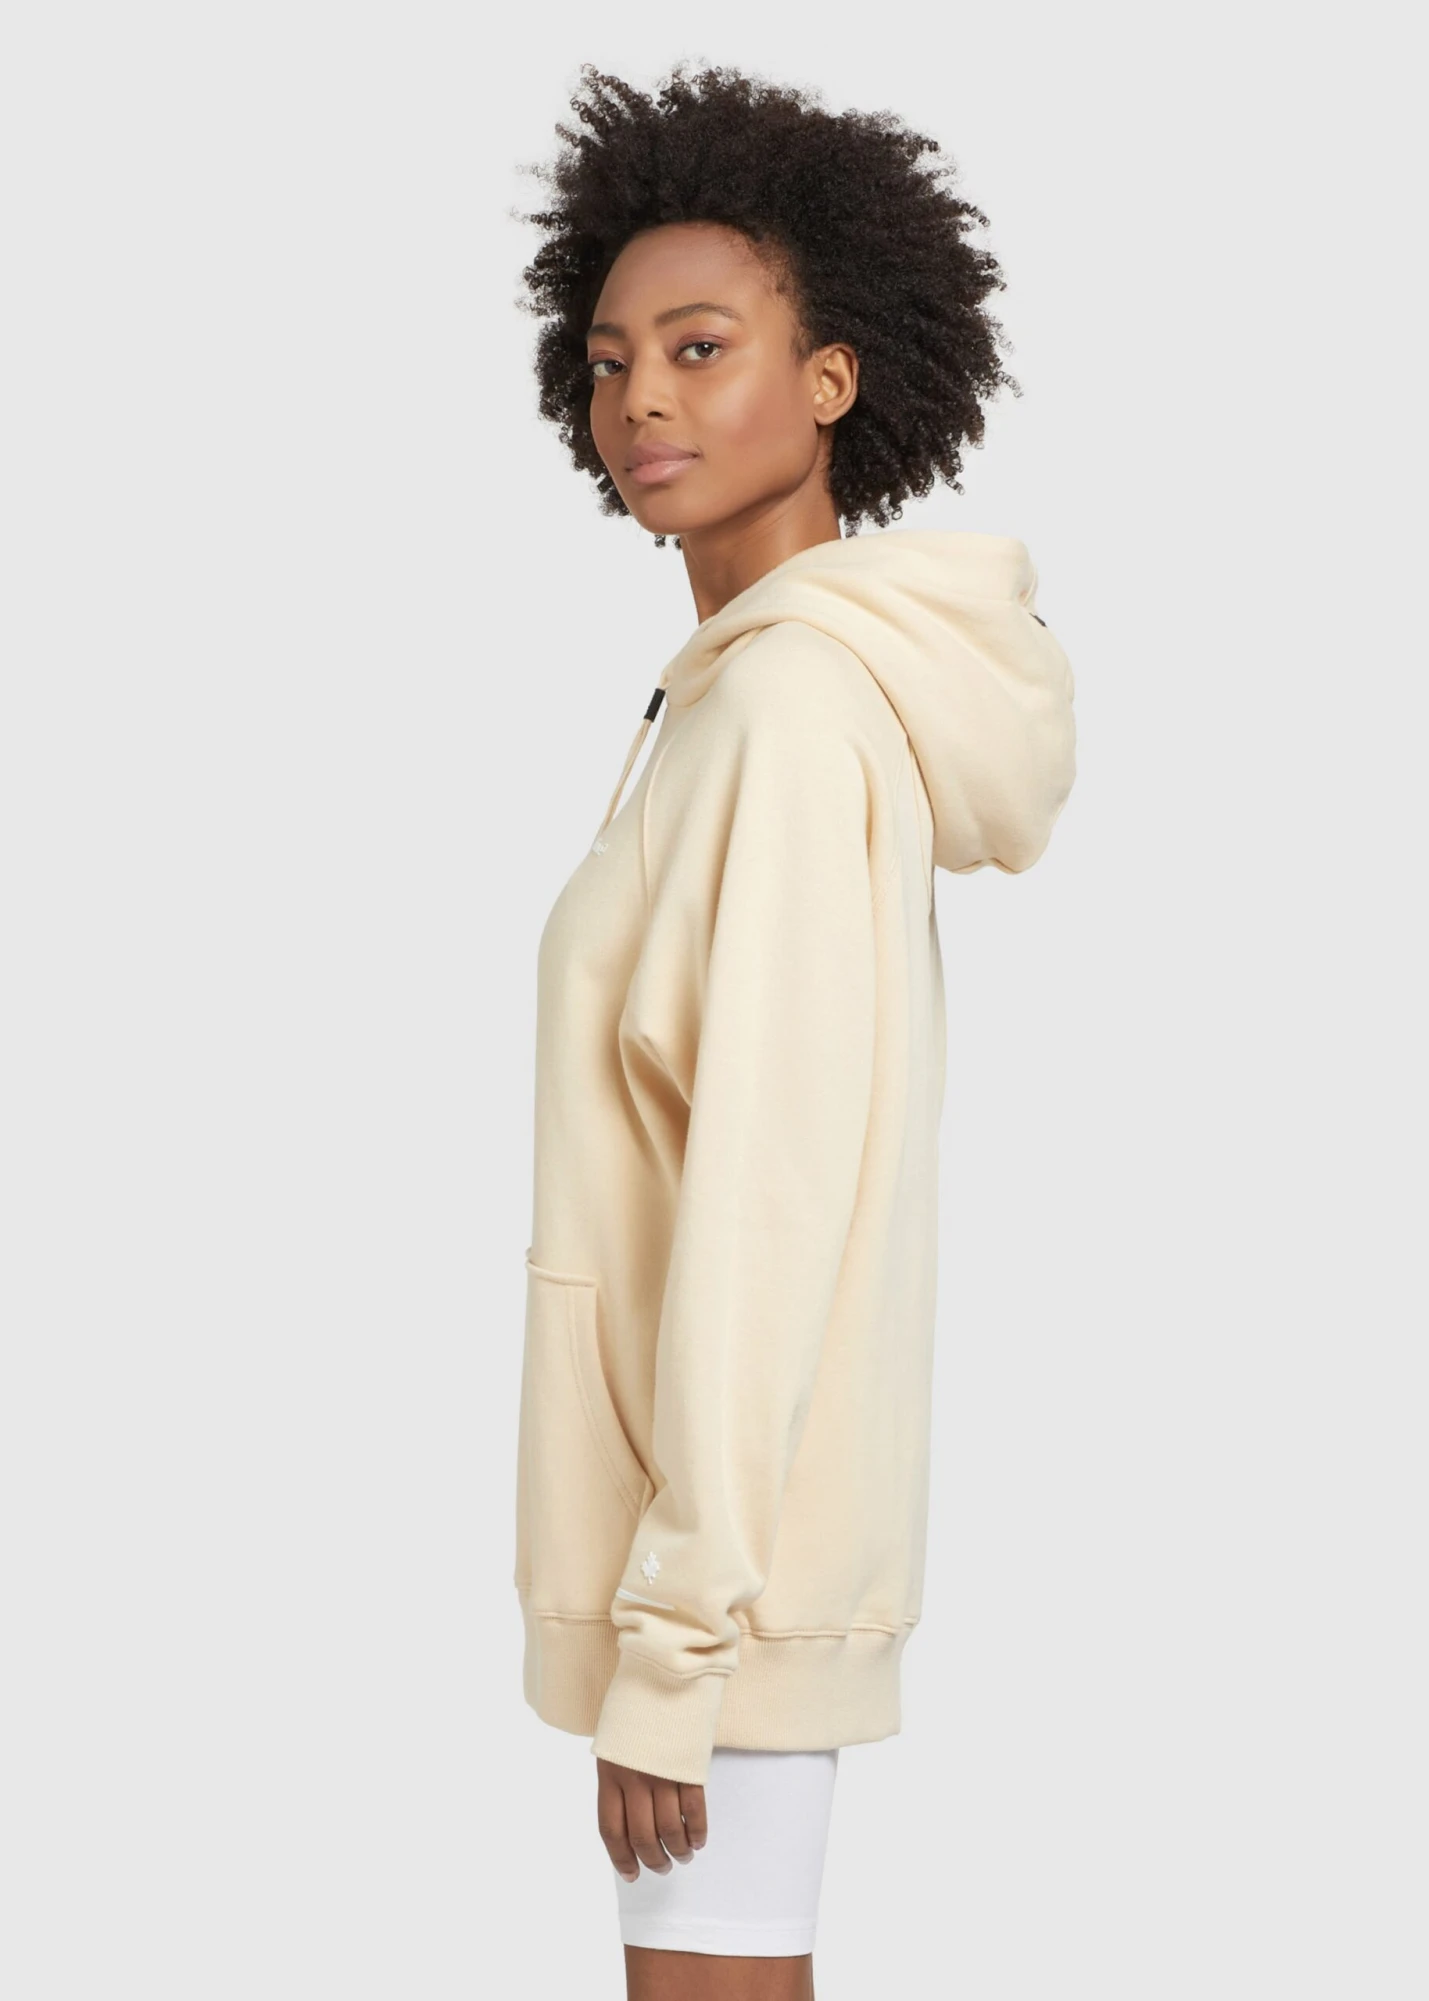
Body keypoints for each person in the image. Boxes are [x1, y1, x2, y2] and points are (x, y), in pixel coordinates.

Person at [512, 61, 1077, 1998]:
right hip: (712, 1562)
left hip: (723, 1589)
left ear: (833, 377)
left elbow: (767, 1200)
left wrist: (676, 1645)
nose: (641, 403)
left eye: (700, 348)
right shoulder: (734, 699)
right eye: (610, 363)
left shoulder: (790, 714)